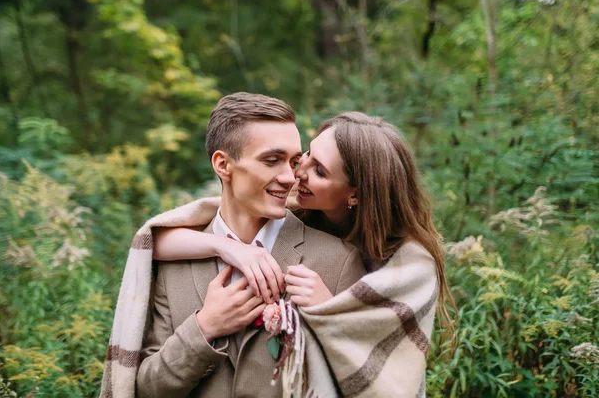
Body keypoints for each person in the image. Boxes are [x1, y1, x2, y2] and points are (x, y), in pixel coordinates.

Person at [153, 111, 455, 397]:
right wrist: (231, 248)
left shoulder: (408, 265)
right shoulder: (298, 206)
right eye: (306, 155)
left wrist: (330, 310)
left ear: (355, 194)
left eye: (319, 171)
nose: (296, 174)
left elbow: (385, 372)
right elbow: (154, 240)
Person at [132, 93, 365, 398]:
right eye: (272, 160)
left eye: (294, 161)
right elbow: (148, 388)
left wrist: (325, 319)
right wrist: (204, 328)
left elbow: (362, 382)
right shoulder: (173, 263)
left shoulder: (339, 261)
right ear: (223, 165)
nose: (290, 177)